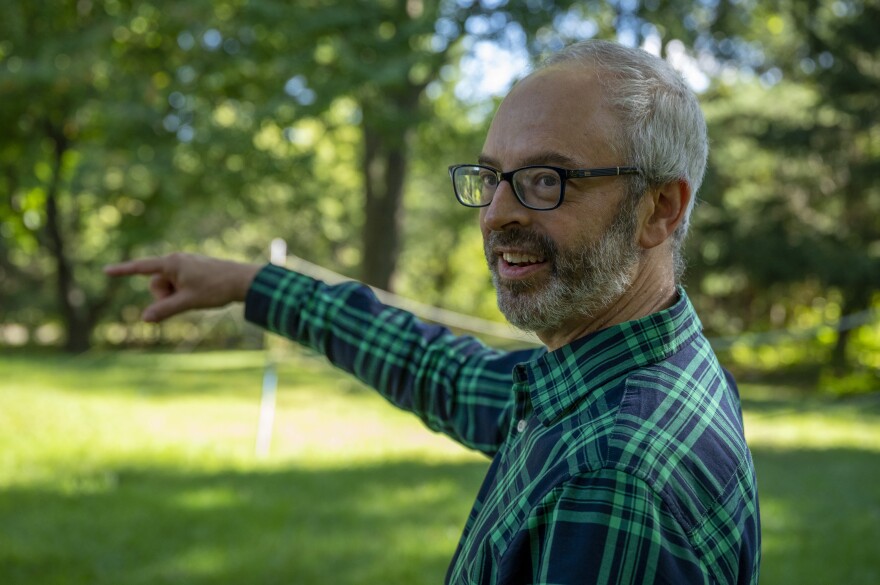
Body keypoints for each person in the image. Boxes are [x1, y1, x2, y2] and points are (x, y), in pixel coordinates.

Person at [106, 39, 760, 584]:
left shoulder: (612, 480)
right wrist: (247, 283)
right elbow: (438, 369)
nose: (497, 214)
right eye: (490, 177)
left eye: (545, 180)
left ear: (661, 209)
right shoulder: (624, 372)